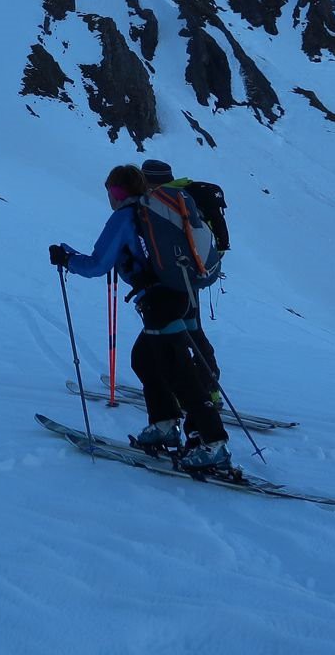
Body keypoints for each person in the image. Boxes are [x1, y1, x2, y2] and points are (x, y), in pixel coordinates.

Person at [50, 164, 230, 470]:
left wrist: (67, 258)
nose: (109, 197)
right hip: (183, 294)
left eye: (110, 191)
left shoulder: (126, 216)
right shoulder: (155, 213)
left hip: (161, 301)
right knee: (145, 358)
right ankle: (165, 424)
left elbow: (97, 264)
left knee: (178, 371)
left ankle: (213, 442)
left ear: (117, 191)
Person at [141, 158, 226, 392]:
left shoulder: (162, 201)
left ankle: (199, 389)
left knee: (179, 333)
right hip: (194, 274)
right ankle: (209, 386)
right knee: (193, 330)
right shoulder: (184, 194)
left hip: (178, 280)